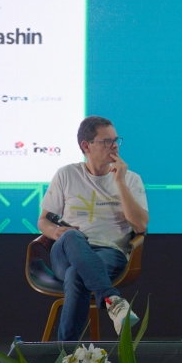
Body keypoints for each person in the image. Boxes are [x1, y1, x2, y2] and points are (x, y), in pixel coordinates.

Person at [38, 116, 146, 341]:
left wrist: (120, 182)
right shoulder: (66, 174)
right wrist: (55, 232)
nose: (114, 146)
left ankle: (66, 355)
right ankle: (112, 300)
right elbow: (44, 221)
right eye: (107, 141)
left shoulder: (131, 179)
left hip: (109, 253)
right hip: (66, 252)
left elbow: (140, 225)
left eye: (116, 140)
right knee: (72, 236)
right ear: (86, 146)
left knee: (76, 274)